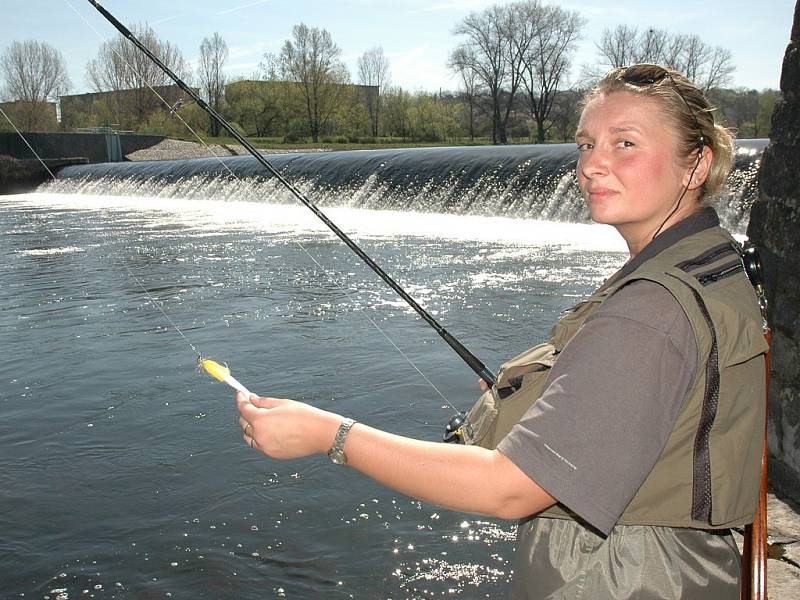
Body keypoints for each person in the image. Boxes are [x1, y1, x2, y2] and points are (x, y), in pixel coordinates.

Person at [235, 64, 768, 599]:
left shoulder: (650, 309)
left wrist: (332, 434)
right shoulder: (711, 261)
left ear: (695, 164)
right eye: (586, 144)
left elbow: (509, 490)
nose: (592, 165)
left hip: (622, 580)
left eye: (624, 143)